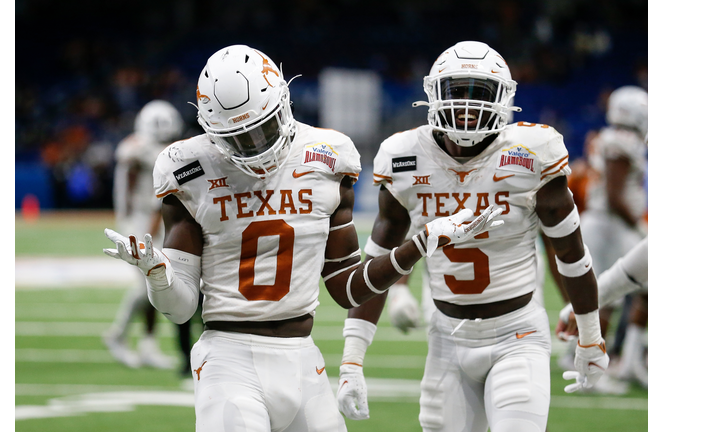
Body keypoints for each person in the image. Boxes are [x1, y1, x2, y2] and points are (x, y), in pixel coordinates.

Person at [102, 44, 502, 432]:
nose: (257, 147)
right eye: (240, 138)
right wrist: (159, 275)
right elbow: (180, 309)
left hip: (301, 357)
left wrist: (419, 243)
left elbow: (347, 289)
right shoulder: (189, 168)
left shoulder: (327, 156)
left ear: (285, 104)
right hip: (228, 359)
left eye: (263, 128)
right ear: (211, 131)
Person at [336, 41, 608, 432]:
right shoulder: (403, 157)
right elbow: (376, 270)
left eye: (478, 92)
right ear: (434, 95)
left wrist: (591, 337)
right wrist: (351, 359)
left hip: (518, 334)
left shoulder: (531, 152)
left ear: (504, 99)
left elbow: (571, 255)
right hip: (446, 337)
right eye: (456, 91)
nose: (466, 105)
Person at [103, 99, 184, 369]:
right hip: (140, 222)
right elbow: (141, 187)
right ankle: (117, 334)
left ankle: (148, 344)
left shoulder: (139, 148)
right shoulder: (137, 150)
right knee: (148, 284)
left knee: (156, 282)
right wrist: (138, 225)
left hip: (145, 221)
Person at [578, 85, 648, 387]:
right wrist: (639, 225)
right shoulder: (623, 141)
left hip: (602, 222)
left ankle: (628, 361)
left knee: (615, 294)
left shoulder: (609, 137)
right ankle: (600, 369)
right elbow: (615, 194)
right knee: (607, 297)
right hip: (611, 223)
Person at [556, 236, 648, 387]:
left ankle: (630, 362)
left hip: (618, 233)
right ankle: (589, 369)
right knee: (611, 305)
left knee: (644, 295)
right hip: (608, 232)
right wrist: (585, 303)